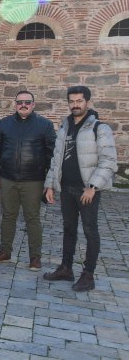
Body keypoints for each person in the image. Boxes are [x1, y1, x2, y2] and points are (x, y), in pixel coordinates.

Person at [43, 86, 118, 291]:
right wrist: (50, 185)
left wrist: (93, 186)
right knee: (68, 229)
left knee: (89, 230)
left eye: (79, 101)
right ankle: (66, 268)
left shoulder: (99, 128)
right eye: (72, 101)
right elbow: (56, 159)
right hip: (66, 188)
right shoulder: (64, 126)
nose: (75, 105)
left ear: (87, 102)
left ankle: (88, 275)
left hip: (87, 190)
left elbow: (109, 161)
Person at [0, 90, 56, 270]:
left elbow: (52, 156)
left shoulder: (45, 125)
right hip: (7, 179)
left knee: (32, 218)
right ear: (15, 104)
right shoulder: (4, 124)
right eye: (19, 102)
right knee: (8, 216)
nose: (23, 105)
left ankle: (35, 257)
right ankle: (5, 251)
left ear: (33, 105)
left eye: (27, 102)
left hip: (33, 180)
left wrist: (50, 183)